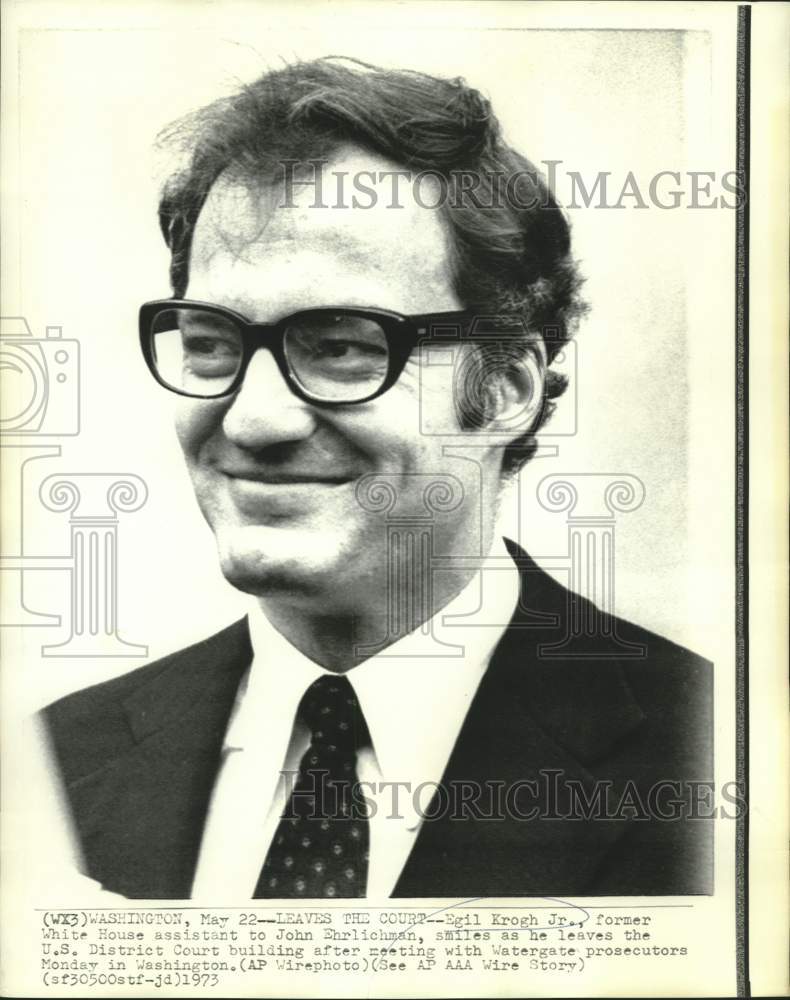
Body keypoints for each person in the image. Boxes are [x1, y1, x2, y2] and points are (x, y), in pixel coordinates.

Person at [43, 57, 713, 900]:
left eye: (342, 345)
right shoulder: (53, 768)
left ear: (506, 388)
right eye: (210, 340)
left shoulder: (717, 754)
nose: (252, 420)